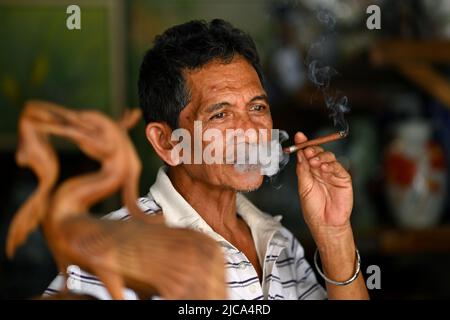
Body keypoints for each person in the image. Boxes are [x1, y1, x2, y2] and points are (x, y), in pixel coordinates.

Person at [45, 19, 369, 300]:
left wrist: (334, 234)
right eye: (221, 114)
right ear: (166, 141)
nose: (252, 132)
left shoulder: (279, 242)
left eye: (257, 108)